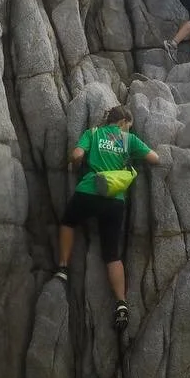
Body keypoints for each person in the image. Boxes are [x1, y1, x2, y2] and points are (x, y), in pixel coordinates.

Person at [55, 105, 160, 331]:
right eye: (128, 127)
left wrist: (76, 167)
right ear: (123, 122)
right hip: (114, 200)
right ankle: (121, 303)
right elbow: (155, 158)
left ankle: (63, 267)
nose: (128, 130)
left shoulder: (93, 133)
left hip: (88, 191)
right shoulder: (127, 140)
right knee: (112, 254)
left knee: (68, 222)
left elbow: (76, 154)